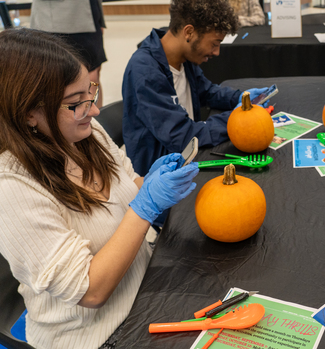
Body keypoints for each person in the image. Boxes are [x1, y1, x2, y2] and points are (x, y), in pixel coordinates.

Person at [0, 28, 199, 349]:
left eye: (89, 93)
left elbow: (129, 184)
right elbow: (90, 290)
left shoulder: (85, 135)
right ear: (28, 114)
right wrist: (145, 205)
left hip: (144, 284)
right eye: (76, 103)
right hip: (97, 333)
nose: (93, 110)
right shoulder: (11, 190)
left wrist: (151, 184)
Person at [122, 0, 271, 177]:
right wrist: (238, 120)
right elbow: (183, 136)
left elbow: (208, 92)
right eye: (214, 44)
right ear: (189, 32)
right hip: (162, 173)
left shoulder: (183, 59)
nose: (216, 52)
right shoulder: (145, 72)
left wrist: (241, 97)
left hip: (189, 155)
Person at [30, 0, 107, 108]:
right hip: (54, 20)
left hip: (89, 14)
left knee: (92, 77)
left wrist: (99, 19)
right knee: (56, 80)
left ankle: (95, 121)